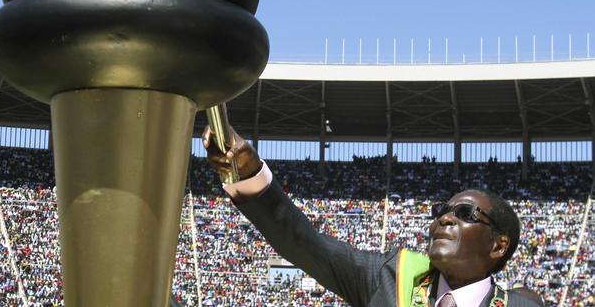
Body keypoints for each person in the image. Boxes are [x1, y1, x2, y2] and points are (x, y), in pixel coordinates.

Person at [203, 126, 544, 307]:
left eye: (465, 213)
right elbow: (304, 243)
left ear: (498, 246)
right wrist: (249, 173)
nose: (445, 219)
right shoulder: (390, 277)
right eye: (441, 211)